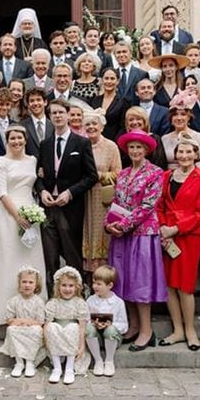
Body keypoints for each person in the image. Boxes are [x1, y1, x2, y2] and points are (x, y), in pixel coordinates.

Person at [0, 125, 49, 329]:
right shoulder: (1, 161)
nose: (16, 141)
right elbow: (2, 192)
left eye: (20, 137)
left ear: (25, 140)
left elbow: (35, 185)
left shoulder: (33, 160)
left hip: (30, 214)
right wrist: (18, 216)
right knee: (5, 259)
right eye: (12, 138)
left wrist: (31, 215)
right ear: (7, 141)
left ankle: (32, 310)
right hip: (7, 215)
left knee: (26, 258)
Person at [105, 130, 166, 350]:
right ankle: (133, 325)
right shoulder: (123, 174)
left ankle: (147, 331)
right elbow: (115, 201)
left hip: (143, 234)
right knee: (123, 280)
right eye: (131, 147)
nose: (135, 151)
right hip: (121, 236)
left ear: (147, 149)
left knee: (140, 283)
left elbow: (148, 206)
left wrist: (124, 224)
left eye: (139, 147)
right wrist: (109, 224)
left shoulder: (156, 172)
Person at [154, 133, 200, 351]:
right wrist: (162, 228)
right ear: (175, 154)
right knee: (169, 284)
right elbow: (159, 206)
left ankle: (190, 330)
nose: (184, 155)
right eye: (181, 151)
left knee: (185, 286)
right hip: (166, 235)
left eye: (189, 151)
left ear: (196, 154)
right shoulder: (166, 175)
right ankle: (177, 330)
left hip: (188, 235)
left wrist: (176, 228)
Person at [35, 99, 98, 285]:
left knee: (71, 253)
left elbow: (91, 176)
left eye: (61, 112)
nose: (57, 116)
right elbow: (38, 175)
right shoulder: (45, 144)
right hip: (48, 206)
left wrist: (70, 192)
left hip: (70, 207)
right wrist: (43, 191)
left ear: (68, 115)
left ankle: (76, 293)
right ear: (49, 116)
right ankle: (53, 294)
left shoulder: (81, 143)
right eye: (53, 113)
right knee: (50, 254)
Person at [81, 112, 122, 279]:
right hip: (83, 196)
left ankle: (104, 276)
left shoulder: (111, 146)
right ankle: (87, 277)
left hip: (102, 197)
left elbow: (119, 174)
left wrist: (99, 175)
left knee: (102, 233)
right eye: (88, 124)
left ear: (102, 126)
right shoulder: (81, 144)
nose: (91, 127)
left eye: (94, 124)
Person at [0, 266, 47, 378]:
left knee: (37, 330)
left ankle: (30, 362)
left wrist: (26, 322)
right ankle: (19, 362)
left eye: (31, 282)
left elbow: (40, 322)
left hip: (32, 329)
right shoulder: (14, 301)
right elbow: (9, 319)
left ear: (36, 285)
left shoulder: (38, 302)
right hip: (18, 328)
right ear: (19, 283)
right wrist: (20, 322)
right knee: (11, 330)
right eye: (24, 282)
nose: (27, 285)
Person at [45, 266, 89, 385]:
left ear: (76, 287)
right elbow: (47, 324)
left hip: (73, 334)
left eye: (71, 286)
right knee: (52, 327)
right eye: (64, 285)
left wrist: (82, 346)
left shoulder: (79, 303)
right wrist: (46, 341)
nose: (67, 289)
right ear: (58, 287)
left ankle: (69, 368)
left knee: (72, 327)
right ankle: (57, 368)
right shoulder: (53, 303)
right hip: (57, 335)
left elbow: (82, 326)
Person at [85, 265, 129, 377]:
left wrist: (111, 324)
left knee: (110, 330)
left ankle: (109, 361)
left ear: (109, 285)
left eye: (99, 284)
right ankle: (98, 360)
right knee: (89, 328)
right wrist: (93, 323)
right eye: (94, 283)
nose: (95, 286)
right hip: (96, 337)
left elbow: (124, 326)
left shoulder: (118, 302)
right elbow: (85, 319)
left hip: (112, 337)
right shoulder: (90, 300)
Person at [162, 94, 200, 171]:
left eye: (183, 114)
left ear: (189, 117)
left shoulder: (197, 137)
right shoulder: (164, 139)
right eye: (175, 115)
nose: (179, 118)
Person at [96, 68, 128, 141]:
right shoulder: (95, 100)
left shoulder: (124, 102)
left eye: (112, 79)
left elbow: (123, 127)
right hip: (96, 140)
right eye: (106, 78)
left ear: (118, 81)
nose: (109, 81)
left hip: (115, 141)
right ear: (102, 80)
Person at [20, 87, 53, 157]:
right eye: (32, 101)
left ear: (45, 102)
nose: (35, 103)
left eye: (38, 100)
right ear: (28, 105)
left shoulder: (54, 125)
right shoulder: (21, 126)